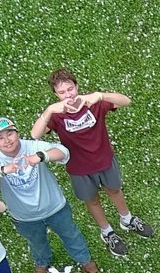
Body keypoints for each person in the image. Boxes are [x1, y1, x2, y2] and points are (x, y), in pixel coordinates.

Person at [33, 72, 152, 255]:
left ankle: (126, 219)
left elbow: (126, 101)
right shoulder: (57, 115)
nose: (68, 95)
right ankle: (107, 232)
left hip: (104, 159)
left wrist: (101, 95)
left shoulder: (93, 104)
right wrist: (49, 110)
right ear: (56, 95)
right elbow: (35, 135)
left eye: (70, 89)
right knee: (92, 200)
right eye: (62, 92)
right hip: (79, 169)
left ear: (77, 86)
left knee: (114, 190)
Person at [0, 118, 95, 273]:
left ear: (17, 133)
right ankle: (42, 263)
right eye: (0, 138)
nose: (7, 140)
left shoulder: (31, 146)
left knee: (71, 234)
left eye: (10, 133)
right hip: (25, 216)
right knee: (37, 243)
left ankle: (85, 259)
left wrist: (40, 156)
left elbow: (63, 152)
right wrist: (3, 170)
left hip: (55, 207)